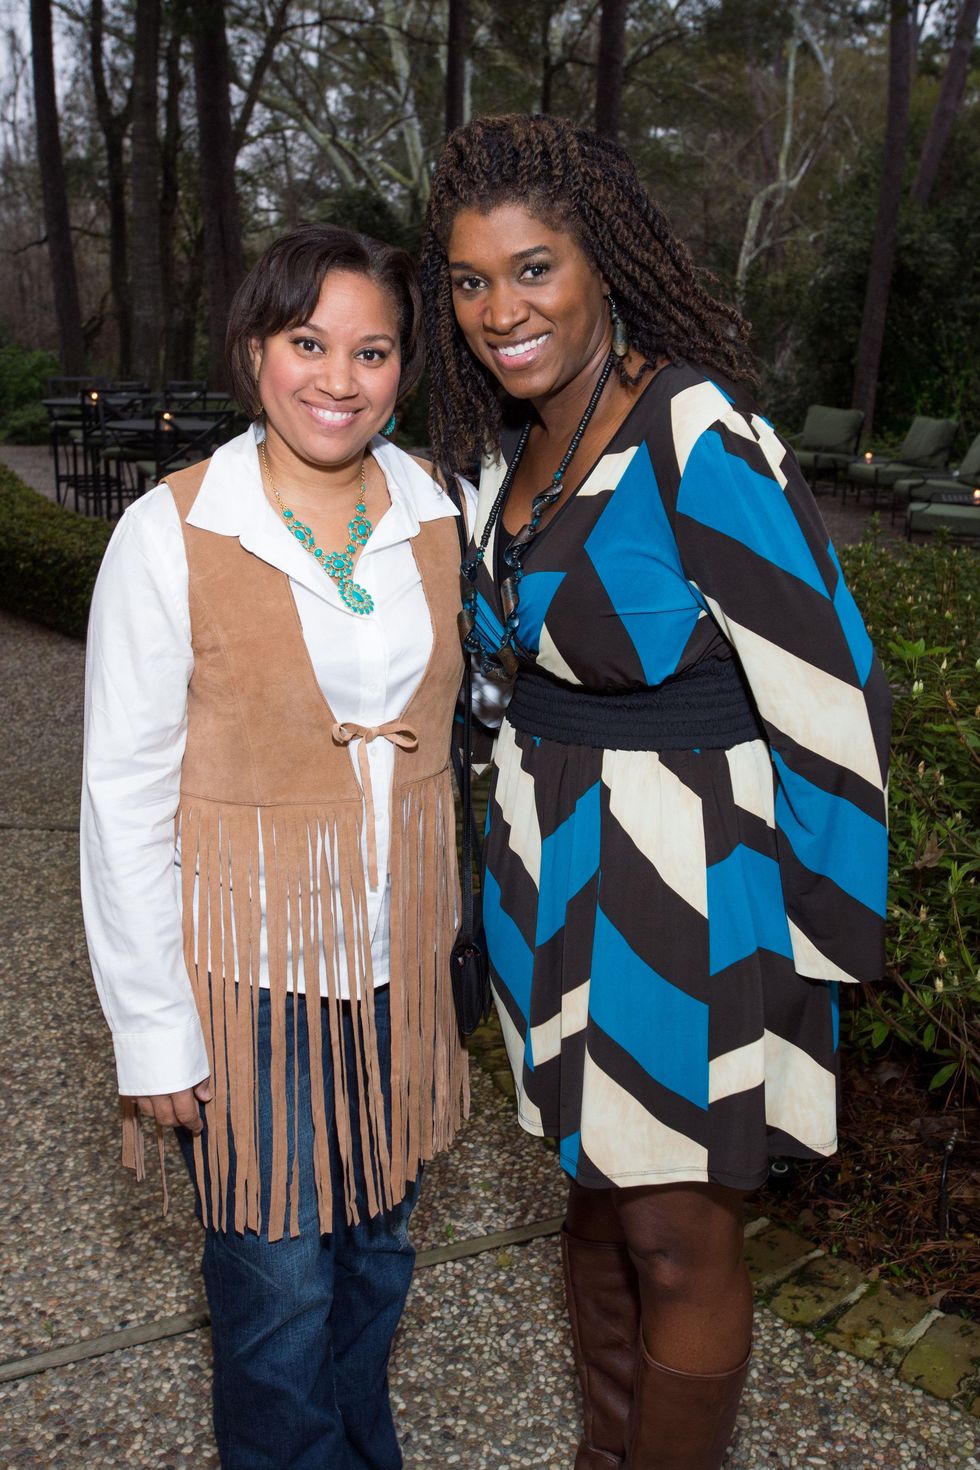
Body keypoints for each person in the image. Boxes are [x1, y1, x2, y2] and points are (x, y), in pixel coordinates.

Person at [420, 115, 890, 1470]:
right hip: (558, 884)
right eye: (467, 280)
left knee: (678, 1238)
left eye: (533, 268)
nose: (500, 309)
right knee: (597, 1207)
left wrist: (820, 943)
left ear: (602, 261)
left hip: (688, 892)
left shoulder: (694, 427)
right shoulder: (509, 454)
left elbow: (828, 688)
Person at [80, 223, 472, 1470]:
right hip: (249, 977)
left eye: (372, 351)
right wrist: (152, 1029)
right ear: (256, 349)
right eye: (309, 343)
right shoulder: (172, 530)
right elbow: (121, 793)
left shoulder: (439, 511)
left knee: (377, 1265)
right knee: (274, 1297)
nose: (338, 379)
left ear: (404, 368)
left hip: (397, 967)